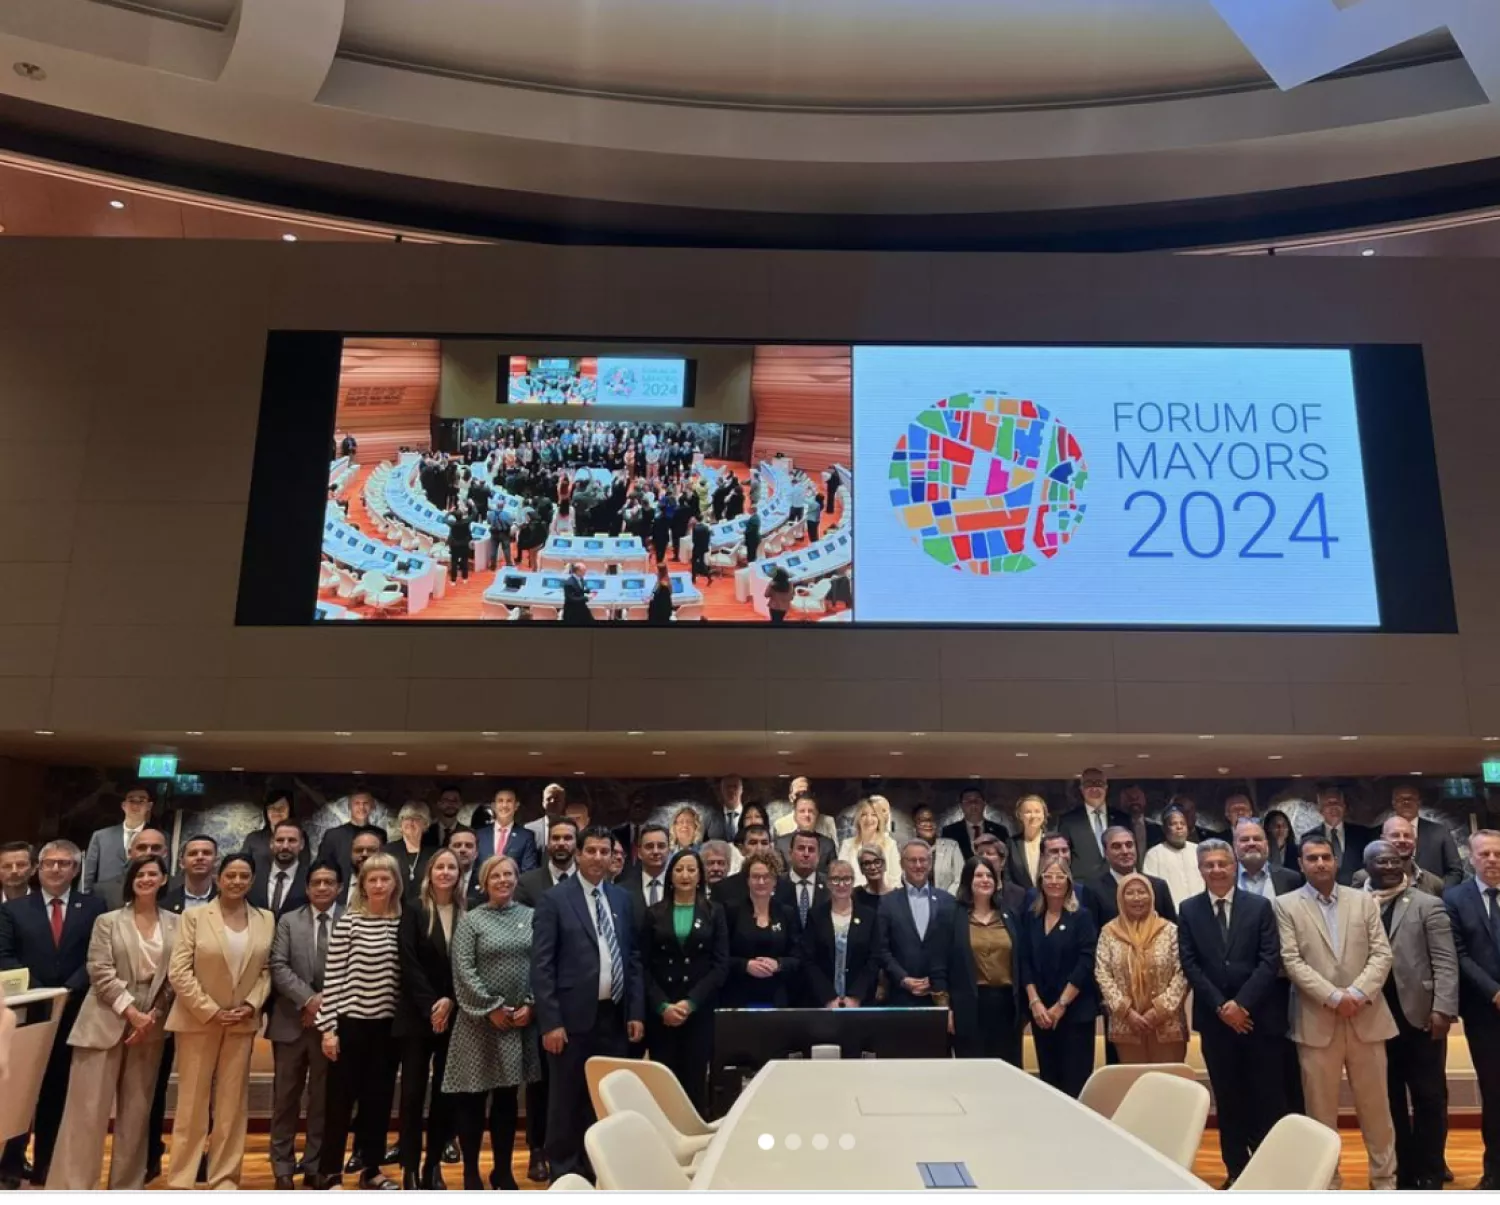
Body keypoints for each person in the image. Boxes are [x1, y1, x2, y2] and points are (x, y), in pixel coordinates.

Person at [46, 854, 178, 1190]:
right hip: (104, 1020)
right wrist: (131, 1011)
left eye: (153, 873)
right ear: (130, 880)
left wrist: (153, 1015)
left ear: (164, 879)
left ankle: (126, 1187)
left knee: (136, 1115)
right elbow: (99, 970)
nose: (146, 879)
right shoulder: (108, 921)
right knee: (86, 1114)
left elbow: (174, 977)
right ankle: (73, 1188)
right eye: (140, 874)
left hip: (150, 1027)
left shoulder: (178, 924)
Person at [1275, 834, 1399, 1190]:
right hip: (1316, 1023)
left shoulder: (1363, 902)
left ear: (1335, 861)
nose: (1319, 864)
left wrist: (1357, 993)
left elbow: (1382, 954)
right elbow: (1291, 960)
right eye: (1311, 858)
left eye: (1325, 857)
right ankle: (1328, 1183)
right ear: (1301, 864)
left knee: (1377, 1112)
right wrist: (1333, 996)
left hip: (1367, 1018)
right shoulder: (1285, 905)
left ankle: (1384, 1181)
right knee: (1320, 1114)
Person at [531, 825, 645, 1182]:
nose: (598, 858)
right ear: (578, 854)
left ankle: (601, 1169)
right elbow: (541, 965)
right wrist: (550, 1022)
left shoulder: (623, 898)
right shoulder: (555, 899)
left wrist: (636, 1011)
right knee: (566, 1100)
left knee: (606, 1099)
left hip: (615, 1016)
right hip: (569, 1019)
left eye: (605, 851)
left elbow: (633, 958)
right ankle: (564, 1174)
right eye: (591, 851)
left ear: (614, 857)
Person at [1179, 839, 1290, 1185]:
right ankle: (1237, 1172)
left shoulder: (1259, 907)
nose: (1216, 870)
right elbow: (1190, 962)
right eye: (1209, 865)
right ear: (1200, 870)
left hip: (1258, 1018)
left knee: (1265, 1096)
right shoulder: (1188, 909)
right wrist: (1221, 1006)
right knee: (1228, 1099)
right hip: (1215, 1023)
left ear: (1234, 866)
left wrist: (1242, 1004)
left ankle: (1268, 1172)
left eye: (1222, 864)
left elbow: (1270, 959)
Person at [0, 839, 108, 1186]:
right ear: (38, 868)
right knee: (19, 1089)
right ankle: (11, 1164)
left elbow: (96, 954)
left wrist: (67, 990)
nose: (56, 869)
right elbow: (6, 957)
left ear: (75, 869)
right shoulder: (15, 909)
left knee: (56, 1093)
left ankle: (47, 1165)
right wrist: (43, 991)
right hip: (28, 1013)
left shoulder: (93, 907)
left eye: (64, 863)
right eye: (49, 863)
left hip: (74, 1010)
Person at [165, 853, 275, 1190]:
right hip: (199, 1021)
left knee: (231, 1105)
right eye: (231, 875)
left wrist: (250, 1005)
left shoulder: (266, 918)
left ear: (252, 881)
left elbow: (268, 970)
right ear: (218, 878)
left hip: (241, 1023)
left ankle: (224, 1176)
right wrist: (211, 1010)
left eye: (244, 876)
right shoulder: (196, 917)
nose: (237, 881)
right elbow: (178, 971)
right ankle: (182, 1177)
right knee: (192, 1104)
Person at [1362, 839, 1458, 1190]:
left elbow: (1446, 961)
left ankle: (1430, 1171)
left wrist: (1443, 1009)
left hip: (1419, 1016)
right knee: (1388, 1100)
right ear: (1366, 866)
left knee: (1429, 1096)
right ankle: (1401, 1171)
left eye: (1394, 860)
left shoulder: (1427, 904)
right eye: (1380, 861)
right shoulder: (1356, 903)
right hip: (1372, 1019)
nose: (1389, 866)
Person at [445, 854, 543, 1189]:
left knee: (506, 1102)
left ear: (517, 879)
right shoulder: (471, 921)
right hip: (478, 1024)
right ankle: (471, 1171)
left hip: (519, 1025)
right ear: (484, 883)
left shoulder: (533, 917)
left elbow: (542, 965)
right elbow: (463, 970)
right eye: (495, 876)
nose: (503, 880)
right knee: (472, 1101)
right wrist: (492, 1008)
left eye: (509, 874)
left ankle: (503, 1171)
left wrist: (530, 1005)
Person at [313, 852, 405, 1191]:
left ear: (395, 882)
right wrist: (328, 1029)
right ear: (363, 885)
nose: (379, 884)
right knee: (339, 1102)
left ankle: (371, 1169)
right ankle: (329, 1173)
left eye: (385, 878)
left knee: (378, 1103)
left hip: (387, 1029)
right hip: (350, 1025)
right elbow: (333, 978)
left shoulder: (403, 922)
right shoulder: (349, 922)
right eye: (372, 879)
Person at [267, 858, 344, 1191]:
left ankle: (315, 1164)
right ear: (307, 887)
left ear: (339, 887)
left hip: (333, 1025)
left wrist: (325, 1007)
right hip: (291, 1022)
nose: (323, 888)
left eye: (329, 882)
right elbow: (278, 965)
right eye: (317, 883)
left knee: (322, 1099)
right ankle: (282, 1167)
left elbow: (354, 968)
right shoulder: (288, 921)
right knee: (285, 1098)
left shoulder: (352, 919)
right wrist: (310, 1000)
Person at [396, 850, 463, 1190]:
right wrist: (431, 1005)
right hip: (417, 1016)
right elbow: (408, 963)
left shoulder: (468, 911)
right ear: (430, 872)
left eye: (452, 867)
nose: (446, 872)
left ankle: (432, 1164)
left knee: (444, 1094)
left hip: (455, 1016)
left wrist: (449, 1001)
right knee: (411, 1095)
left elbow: (466, 964)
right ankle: (408, 1166)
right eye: (440, 866)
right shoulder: (413, 908)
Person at [642, 849, 727, 1113]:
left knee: (695, 1083)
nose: (685, 875)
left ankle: (696, 1147)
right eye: (679, 870)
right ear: (670, 876)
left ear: (700, 876)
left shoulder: (715, 912)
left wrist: (690, 1003)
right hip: (662, 1013)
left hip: (698, 1011)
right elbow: (642, 966)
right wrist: (662, 1006)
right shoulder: (654, 913)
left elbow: (720, 965)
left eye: (691, 869)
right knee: (664, 1084)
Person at [1444, 829, 1500, 1190]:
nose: (1492, 860)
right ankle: (1494, 1172)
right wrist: (1494, 992)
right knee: (1495, 1094)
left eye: (1497, 853)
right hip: (1484, 1014)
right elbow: (1458, 953)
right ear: (1471, 857)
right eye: (1485, 854)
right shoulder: (1454, 898)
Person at [1019, 855, 1099, 1098]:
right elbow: (1024, 961)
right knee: (1049, 1085)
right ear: (1040, 880)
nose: (1054, 881)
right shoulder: (1031, 916)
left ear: (1069, 881)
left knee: (1074, 1086)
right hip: (1041, 1014)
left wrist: (1061, 1005)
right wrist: (1035, 1003)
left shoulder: (1082, 916)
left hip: (1074, 1012)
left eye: (1060, 876)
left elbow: (1086, 962)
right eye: (1048, 875)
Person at [1094, 872, 1190, 1064]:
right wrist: (1127, 1012)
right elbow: (1102, 973)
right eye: (1130, 893)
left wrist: (1159, 1011)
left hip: (1166, 1024)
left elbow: (1183, 973)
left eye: (1142, 892)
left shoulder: (1169, 930)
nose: (1137, 898)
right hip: (1127, 1025)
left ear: (1152, 896)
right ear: (1120, 898)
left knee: (1169, 1084)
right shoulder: (1109, 932)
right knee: (1135, 1084)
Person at [949, 857, 1022, 1064]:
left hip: (1006, 1005)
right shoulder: (953, 917)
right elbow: (942, 965)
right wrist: (946, 1008)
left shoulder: (1009, 915)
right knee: (973, 1070)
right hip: (969, 1005)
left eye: (989, 875)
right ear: (968, 880)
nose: (985, 880)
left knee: (1008, 1070)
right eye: (979, 875)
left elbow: (1020, 962)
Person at [875, 839, 956, 1009]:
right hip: (899, 995)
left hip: (939, 995)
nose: (918, 865)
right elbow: (881, 949)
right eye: (912, 860)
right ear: (902, 864)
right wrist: (903, 978)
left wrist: (936, 980)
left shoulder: (948, 901)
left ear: (930, 863)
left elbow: (954, 947)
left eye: (923, 860)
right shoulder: (887, 903)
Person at [724, 851, 802, 1007]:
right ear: (747, 880)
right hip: (738, 995)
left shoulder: (787, 913)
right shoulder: (731, 911)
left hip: (778, 997)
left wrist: (779, 964)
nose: (761, 881)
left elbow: (799, 956)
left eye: (766, 876)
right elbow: (720, 956)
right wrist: (745, 965)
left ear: (775, 881)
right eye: (755, 877)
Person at [803, 859, 879, 1009]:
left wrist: (856, 996)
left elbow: (874, 959)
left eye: (846, 879)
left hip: (861, 1002)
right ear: (828, 883)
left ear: (853, 881)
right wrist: (828, 997)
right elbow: (808, 959)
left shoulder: (869, 916)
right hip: (823, 1002)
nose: (842, 884)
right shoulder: (816, 915)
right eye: (836, 879)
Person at [1089, 827, 1176, 927]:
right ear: (1105, 852)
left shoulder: (1158, 886)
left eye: (1129, 845)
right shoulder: (1094, 890)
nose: (1125, 851)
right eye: (1117, 847)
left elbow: (1172, 928)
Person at [82, 782, 155, 893]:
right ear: (123, 805)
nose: (136, 805)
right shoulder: (101, 837)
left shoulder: (158, 838)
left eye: (141, 801)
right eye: (131, 800)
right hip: (105, 900)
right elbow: (88, 876)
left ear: (149, 806)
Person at [1300, 782, 1376, 886]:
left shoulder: (1362, 834)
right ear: (1320, 810)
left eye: (1337, 803)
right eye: (1328, 804)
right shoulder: (1309, 837)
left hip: (1357, 891)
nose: (1333, 808)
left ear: (1344, 807)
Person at [1390, 783, 1465, 888]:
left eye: (1410, 799)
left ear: (1419, 802)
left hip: (1432, 898)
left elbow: (1455, 871)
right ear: (1393, 803)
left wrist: (1439, 891)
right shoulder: (1378, 832)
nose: (1406, 803)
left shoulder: (1439, 831)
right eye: (1401, 799)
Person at [1057, 768, 1125, 883]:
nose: (1094, 788)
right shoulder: (1068, 821)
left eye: (1099, 783)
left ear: (1106, 787)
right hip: (1082, 886)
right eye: (1088, 784)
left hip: (1118, 883)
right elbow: (1062, 857)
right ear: (1081, 789)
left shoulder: (1122, 818)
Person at [1353, 814, 1445, 897]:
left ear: (1415, 841)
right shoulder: (1364, 878)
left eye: (1407, 836)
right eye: (1395, 835)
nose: (1402, 840)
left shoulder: (1433, 883)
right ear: (1383, 839)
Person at [1141, 804, 1204, 909]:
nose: (1179, 827)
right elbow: (1151, 888)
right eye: (1173, 824)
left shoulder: (1198, 850)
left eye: (1182, 823)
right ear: (1165, 829)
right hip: (1171, 913)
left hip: (1201, 911)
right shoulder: (1154, 854)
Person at [93, 826, 169, 908]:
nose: (148, 853)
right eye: (142, 848)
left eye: (155, 848)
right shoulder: (103, 891)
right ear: (129, 853)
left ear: (165, 853)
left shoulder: (179, 888)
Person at [317, 789, 382, 882]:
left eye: (365, 803)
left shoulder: (380, 834)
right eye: (357, 803)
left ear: (372, 806)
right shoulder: (333, 835)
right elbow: (322, 866)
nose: (361, 807)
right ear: (349, 807)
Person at [250, 819, 309, 916]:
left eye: (292, 840)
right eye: (280, 840)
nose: (285, 846)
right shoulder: (254, 876)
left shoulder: (310, 879)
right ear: (271, 843)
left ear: (302, 844)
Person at [1233, 818, 1304, 898]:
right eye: (1245, 840)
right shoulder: (1222, 877)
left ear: (1266, 845)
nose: (1251, 843)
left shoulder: (1291, 879)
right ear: (1235, 846)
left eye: (1257, 839)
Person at [477, 785, 540, 873]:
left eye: (509, 801)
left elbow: (529, 871)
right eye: (500, 801)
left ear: (516, 806)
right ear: (493, 806)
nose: (504, 805)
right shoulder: (479, 835)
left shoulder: (526, 836)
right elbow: (475, 869)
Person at [838, 798, 900, 888]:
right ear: (858, 819)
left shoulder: (890, 844)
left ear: (879, 819)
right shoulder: (847, 845)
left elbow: (895, 880)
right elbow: (842, 876)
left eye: (874, 815)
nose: (868, 819)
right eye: (863, 815)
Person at [242, 789, 307, 876]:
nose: (276, 812)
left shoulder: (299, 836)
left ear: (290, 810)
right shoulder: (253, 838)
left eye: (281, 808)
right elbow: (242, 866)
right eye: (272, 808)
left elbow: (304, 868)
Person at [620, 823, 672, 924]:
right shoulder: (623, 890)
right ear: (639, 852)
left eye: (661, 846)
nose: (656, 851)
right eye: (649, 846)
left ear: (669, 850)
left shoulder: (679, 887)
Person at [942, 786, 1009, 862]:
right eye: (968, 801)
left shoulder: (1000, 830)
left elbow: (1005, 859)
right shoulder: (950, 832)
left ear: (984, 803)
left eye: (977, 800)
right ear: (961, 806)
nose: (973, 804)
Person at [774, 793, 837, 870]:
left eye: (810, 811)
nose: (807, 815)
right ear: (795, 815)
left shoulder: (828, 844)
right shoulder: (781, 844)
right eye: (802, 811)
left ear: (817, 814)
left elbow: (833, 876)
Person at [385, 801, 435, 898]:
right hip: (395, 907)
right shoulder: (387, 851)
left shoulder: (434, 854)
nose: (411, 822)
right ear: (400, 822)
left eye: (417, 818)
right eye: (406, 818)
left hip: (425, 908)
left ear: (425, 824)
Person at [913, 804, 965, 895]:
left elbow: (960, 878)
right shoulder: (908, 849)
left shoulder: (951, 846)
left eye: (931, 820)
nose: (928, 824)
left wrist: (943, 899)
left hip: (947, 901)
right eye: (922, 820)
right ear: (915, 825)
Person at [971, 833, 1028, 914]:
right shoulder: (969, 892)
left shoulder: (1018, 894)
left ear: (1002, 861)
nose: (984, 857)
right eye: (980, 854)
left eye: (989, 853)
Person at [164, 834, 220, 912]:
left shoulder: (227, 901)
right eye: (193, 853)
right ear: (181, 863)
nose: (200, 857)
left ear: (216, 861)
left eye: (206, 853)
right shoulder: (165, 903)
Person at [1006, 794, 1049, 892]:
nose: (1033, 816)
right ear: (1019, 815)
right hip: (1021, 901)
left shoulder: (1054, 841)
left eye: (1037, 811)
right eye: (1028, 812)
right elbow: (1007, 877)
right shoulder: (1011, 843)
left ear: (1044, 814)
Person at [524, 781, 570, 850]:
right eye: (549, 799)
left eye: (557, 799)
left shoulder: (571, 828)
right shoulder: (529, 829)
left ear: (563, 803)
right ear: (543, 803)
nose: (552, 802)